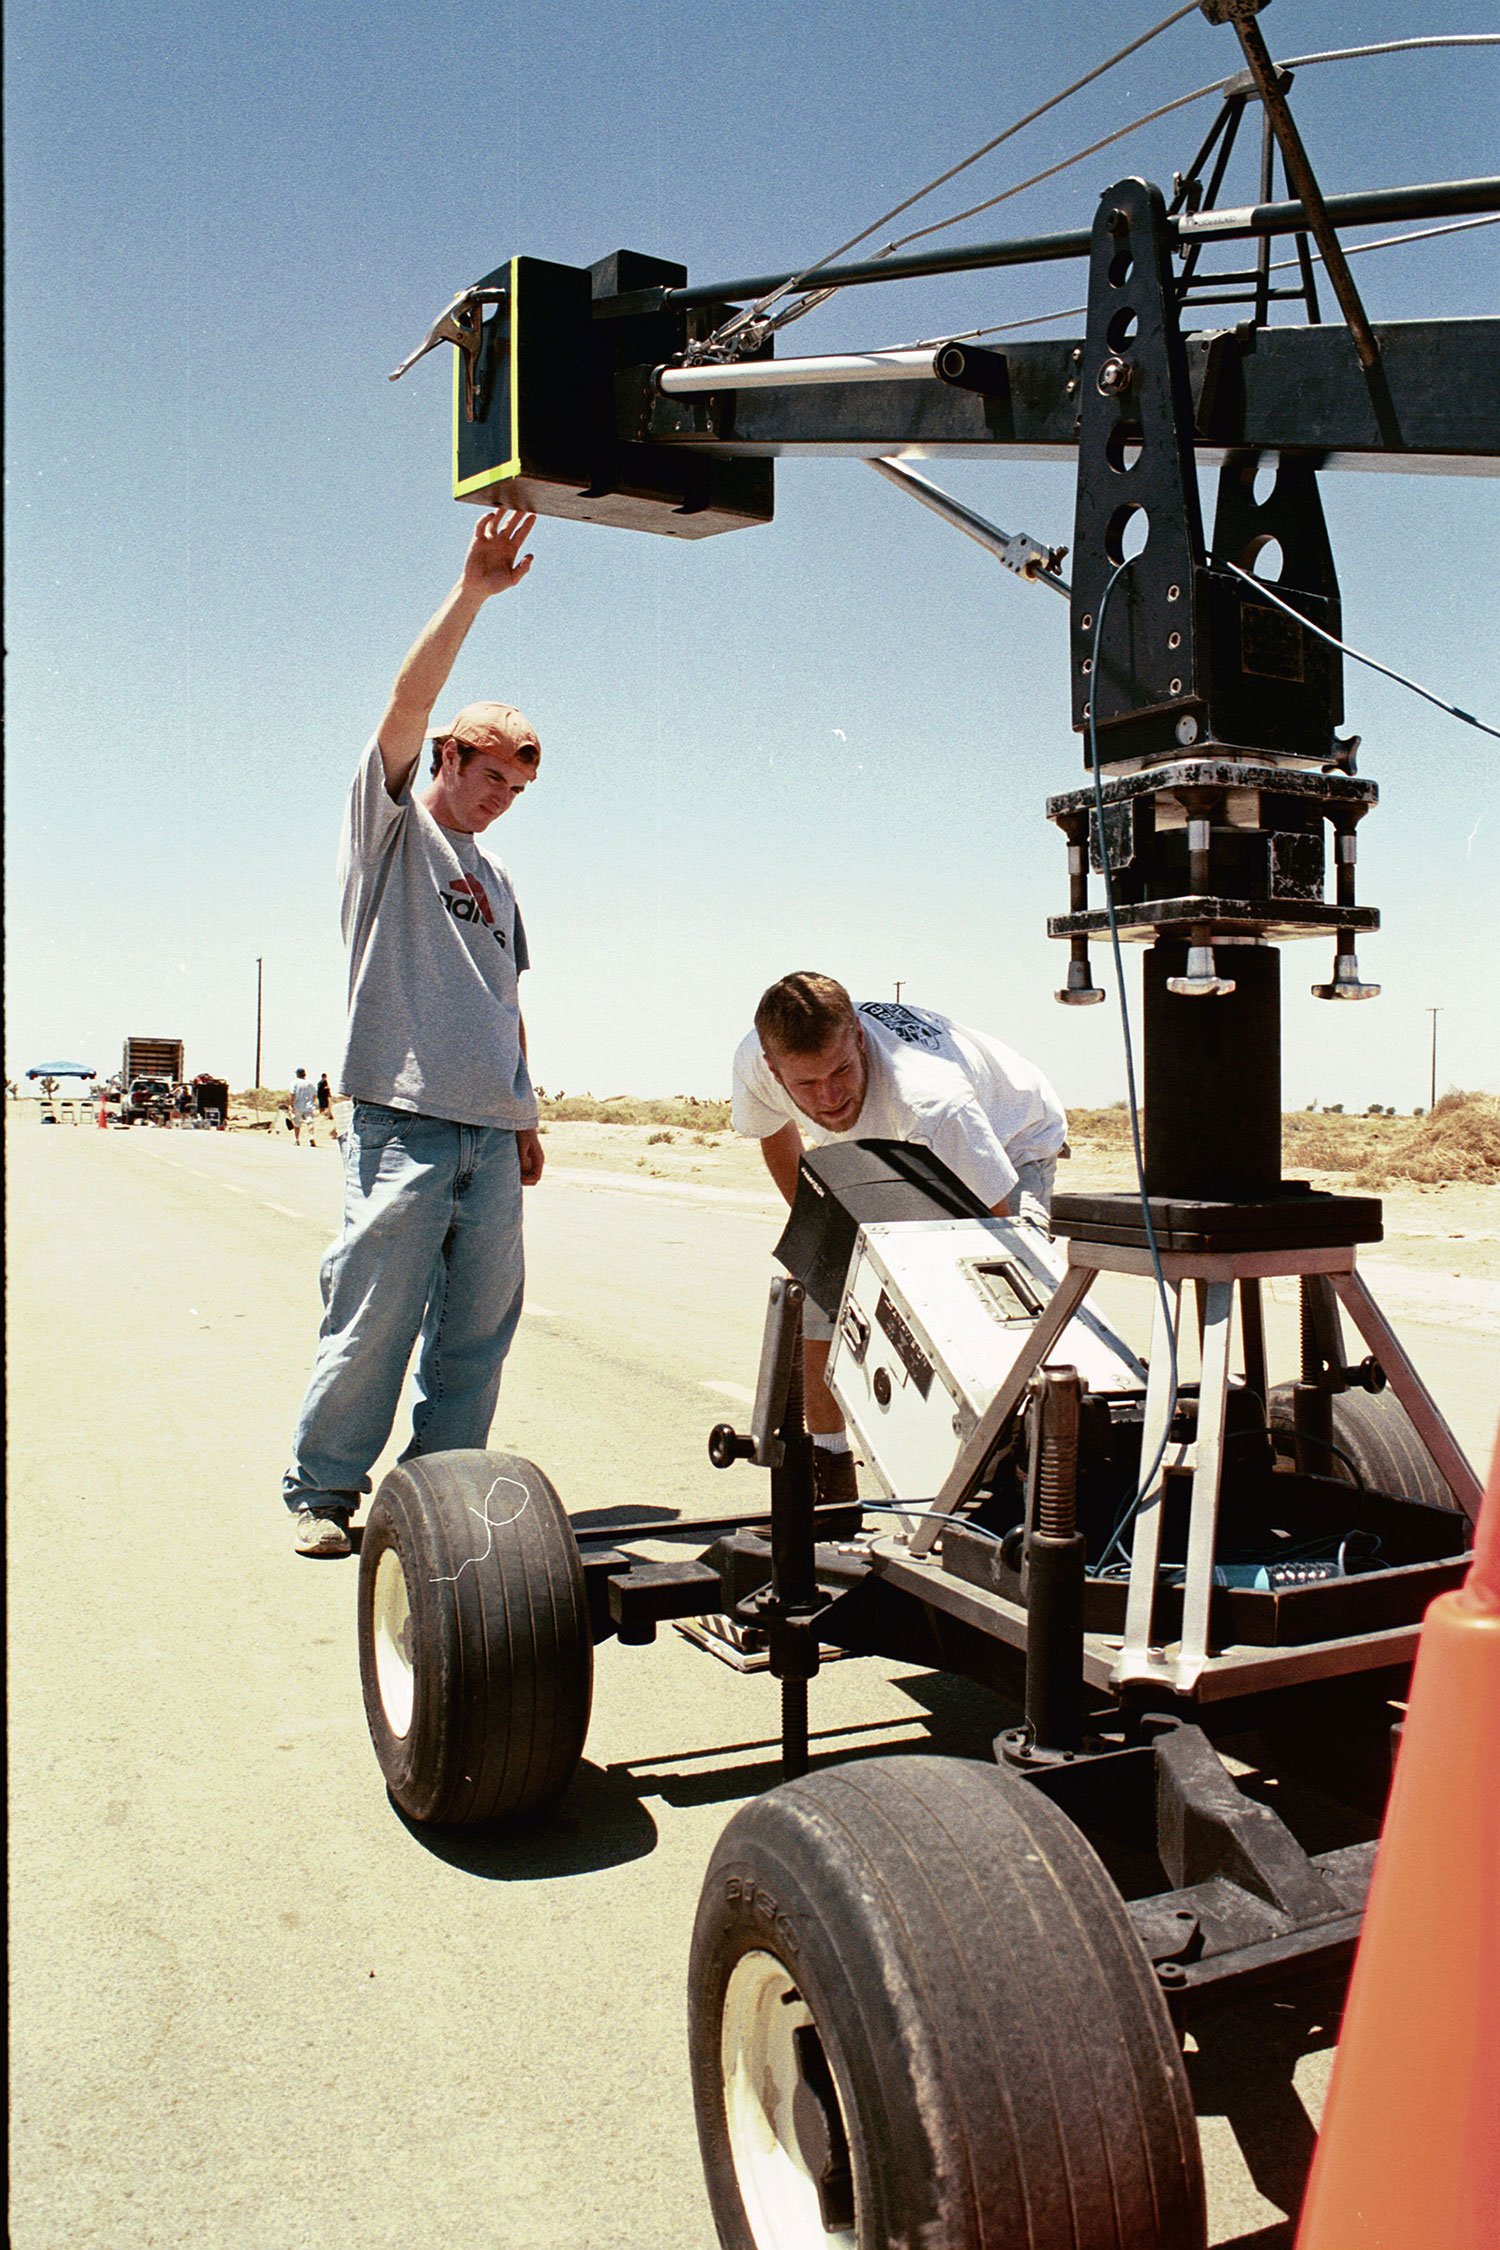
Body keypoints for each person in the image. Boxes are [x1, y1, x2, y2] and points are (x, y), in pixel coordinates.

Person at [282, 505, 543, 1557]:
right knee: (375, 1316)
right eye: (489, 777)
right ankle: (321, 1492)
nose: (500, 801)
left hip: (491, 1127)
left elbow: (509, 1002)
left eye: (517, 789)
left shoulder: (500, 881)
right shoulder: (391, 828)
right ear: (446, 758)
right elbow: (406, 697)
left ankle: (433, 1500)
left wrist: (527, 1113)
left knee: (476, 1337)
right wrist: (473, 590)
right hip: (403, 1119)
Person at [731, 973, 1068, 1505]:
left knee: (1002, 1304)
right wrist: (828, 1238)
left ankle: (1019, 1470)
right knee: (822, 1282)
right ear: (775, 1071)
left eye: (841, 1070)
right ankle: (830, 1470)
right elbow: (776, 1134)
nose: (830, 1095)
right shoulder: (756, 1060)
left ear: (859, 1039)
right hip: (882, 1144)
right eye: (807, 1084)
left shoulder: (933, 1102)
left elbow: (998, 1242)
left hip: (1012, 1139)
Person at [289, 1070, 318, 1146]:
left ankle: (297, 1140)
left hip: (298, 1106)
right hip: (308, 1106)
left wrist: (291, 1104)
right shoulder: (310, 1083)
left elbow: (292, 1094)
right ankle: (311, 1137)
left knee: (297, 1123)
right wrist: (312, 1102)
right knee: (310, 1122)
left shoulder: (294, 1082)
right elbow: (315, 1094)